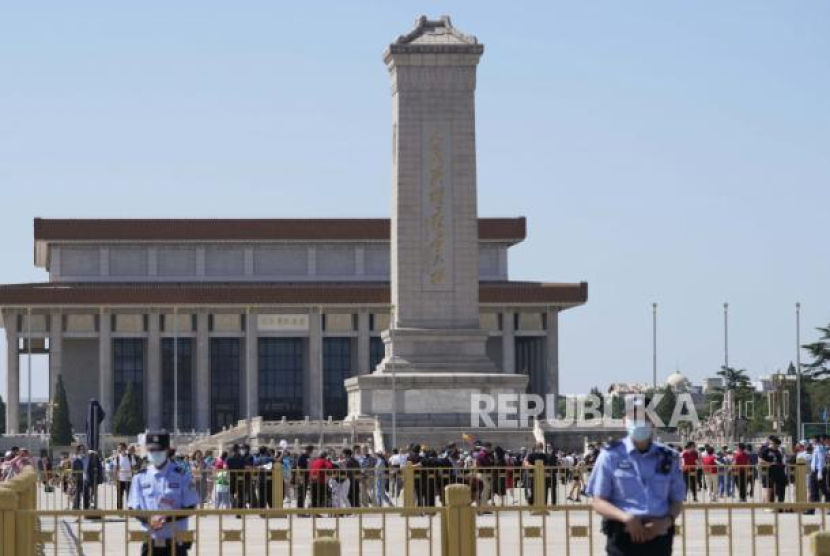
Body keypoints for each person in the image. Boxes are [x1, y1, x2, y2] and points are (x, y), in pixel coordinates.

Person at [586, 400, 684, 556]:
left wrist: (666, 521)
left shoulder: (668, 457)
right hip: (623, 536)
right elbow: (598, 501)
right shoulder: (611, 455)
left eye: (644, 418)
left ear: (652, 422)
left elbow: (677, 501)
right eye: (634, 418)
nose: (639, 423)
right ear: (625, 421)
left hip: (659, 537)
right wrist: (627, 518)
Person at [128, 431, 199, 556]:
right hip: (150, 539)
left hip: (176, 540)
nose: (155, 454)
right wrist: (149, 519)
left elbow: (191, 506)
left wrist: (166, 518)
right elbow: (133, 508)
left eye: (159, 451)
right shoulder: (140, 477)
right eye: (152, 451)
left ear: (167, 451)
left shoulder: (182, 475)